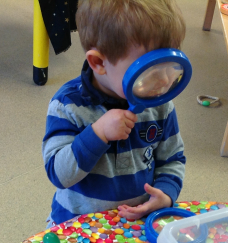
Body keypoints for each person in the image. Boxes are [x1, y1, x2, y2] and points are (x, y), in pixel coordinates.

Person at [42, 0, 187, 226]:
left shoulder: (159, 102)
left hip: (135, 225)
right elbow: (58, 174)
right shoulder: (68, 105)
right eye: (152, 70)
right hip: (77, 228)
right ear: (99, 62)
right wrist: (98, 134)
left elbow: (173, 158)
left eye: (171, 64)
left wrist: (166, 194)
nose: (167, 80)